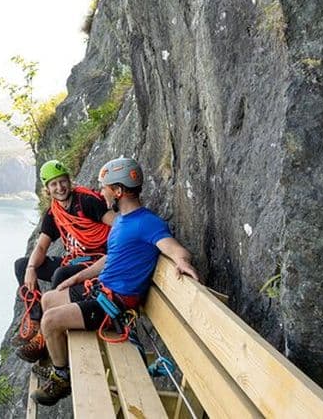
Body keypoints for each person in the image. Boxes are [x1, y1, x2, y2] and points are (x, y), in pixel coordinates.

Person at [29, 157, 200, 406]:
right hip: (100, 291)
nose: (101, 193)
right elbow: (110, 259)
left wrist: (182, 261)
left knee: (50, 320)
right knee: (49, 298)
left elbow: (174, 249)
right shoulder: (121, 221)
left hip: (114, 306)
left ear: (118, 191)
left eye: (104, 188)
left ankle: (62, 376)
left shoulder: (146, 223)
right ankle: (60, 360)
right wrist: (77, 278)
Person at [12, 160, 116, 361]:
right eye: (54, 184)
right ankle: (36, 321)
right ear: (47, 189)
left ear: (69, 181)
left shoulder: (86, 201)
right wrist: (31, 268)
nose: (59, 188)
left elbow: (117, 223)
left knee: (61, 273)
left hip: (96, 261)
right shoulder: (54, 213)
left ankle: (47, 334)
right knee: (21, 265)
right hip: (74, 260)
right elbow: (42, 246)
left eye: (62, 181)